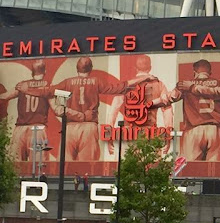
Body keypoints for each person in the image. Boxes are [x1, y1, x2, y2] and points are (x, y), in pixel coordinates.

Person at [17, 56, 154, 161]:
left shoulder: (68, 82)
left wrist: (27, 90)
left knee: (64, 168)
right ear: (91, 68)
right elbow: (120, 87)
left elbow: (46, 91)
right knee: (86, 168)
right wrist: (142, 79)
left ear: (77, 68)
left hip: (70, 128)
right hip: (89, 127)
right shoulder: (96, 81)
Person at [0, 60, 51, 162]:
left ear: (32, 71)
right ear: (45, 71)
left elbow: (5, 96)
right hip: (38, 127)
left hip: (20, 128)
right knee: (38, 166)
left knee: (14, 164)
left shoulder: (22, 85)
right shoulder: (49, 85)